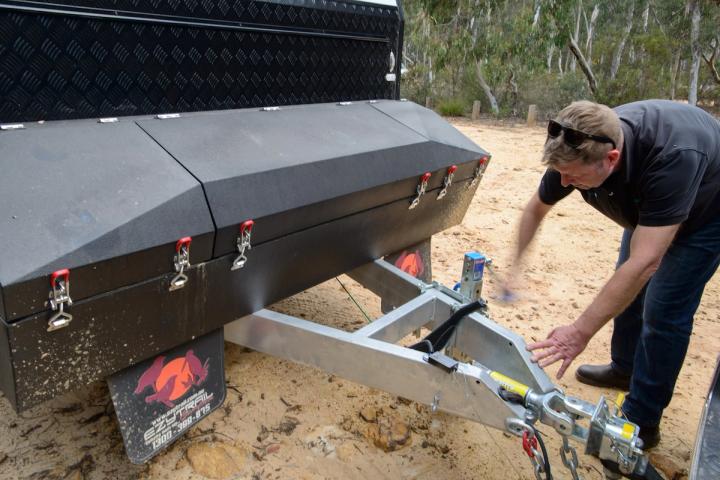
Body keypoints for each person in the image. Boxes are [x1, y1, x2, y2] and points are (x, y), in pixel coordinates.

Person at [507, 99, 720, 449]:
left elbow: (646, 263)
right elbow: (535, 209)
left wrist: (579, 332)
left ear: (612, 159)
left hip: (708, 210)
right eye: (561, 174)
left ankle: (641, 422)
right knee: (627, 281)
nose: (564, 182)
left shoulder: (671, 160)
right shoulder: (576, 144)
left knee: (663, 308)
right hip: (649, 203)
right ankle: (624, 368)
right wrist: (514, 268)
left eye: (574, 177)